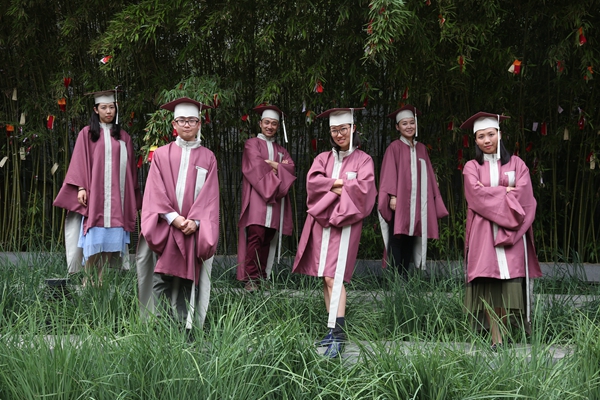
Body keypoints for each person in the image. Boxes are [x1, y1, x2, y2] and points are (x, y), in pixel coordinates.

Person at [292, 107, 376, 358]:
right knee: (325, 277)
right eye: (334, 130)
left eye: (343, 129)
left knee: (334, 277)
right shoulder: (323, 158)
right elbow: (312, 184)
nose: (339, 134)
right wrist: (342, 184)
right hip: (321, 223)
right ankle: (331, 329)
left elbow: (364, 191)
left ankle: (338, 334)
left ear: (353, 128)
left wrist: (332, 186)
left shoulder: (364, 160)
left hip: (346, 224)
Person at [460, 111, 542, 350]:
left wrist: (491, 192)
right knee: (490, 286)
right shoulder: (471, 167)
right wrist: (506, 191)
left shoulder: (517, 164)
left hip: (512, 235)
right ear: (475, 140)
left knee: (508, 285)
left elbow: (525, 197)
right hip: (483, 235)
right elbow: (475, 197)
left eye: (491, 134)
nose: (487, 140)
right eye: (481, 136)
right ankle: (496, 338)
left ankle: (504, 334)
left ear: (500, 134)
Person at [141, 97, 219, 329]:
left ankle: (185, 326)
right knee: (161, 276)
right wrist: (173, 218)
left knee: (188, 278)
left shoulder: (208, 157)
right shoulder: (161, 155)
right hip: (166, 225)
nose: (187, 124)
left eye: (192, 120)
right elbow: (154, 191)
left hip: (193, 229)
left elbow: (210, 196)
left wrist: (196, 221)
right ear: (174, 124)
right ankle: (159, 325)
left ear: (199, 124)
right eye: (182, 120)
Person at [54, 89, 141, 285]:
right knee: (94, 238)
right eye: (103, 108)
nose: (108, 111)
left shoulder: (124, 137)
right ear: (96, 110)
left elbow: (130, 171)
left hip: (117, 198)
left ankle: (100, 281)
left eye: (111, 107)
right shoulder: (87, 134)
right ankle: (87, 280)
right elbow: (79, 161)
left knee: (112, 240)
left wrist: (131, 196)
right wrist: (81, 188)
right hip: (96, 196)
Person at [377, 105, 448, 277]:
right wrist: (392, 196)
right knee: (397, 236)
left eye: (412, 123)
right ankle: (395, 277)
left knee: (411, 237)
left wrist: (431, 198)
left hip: (417, 202)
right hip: (400, 201)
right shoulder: (394, 147)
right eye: (404, 123)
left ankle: (404, 275)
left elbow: (428, 174)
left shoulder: (421, 148)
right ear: (397, 127)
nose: (409, 126)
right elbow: (389, 173)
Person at [237, 104, 296, 291]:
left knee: (267, 238)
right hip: (257, 198)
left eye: (274, 124)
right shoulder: (251, 144)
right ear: (260, 123)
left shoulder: (281, 149)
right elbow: (255, 166)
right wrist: (279, 167)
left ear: (278, 126)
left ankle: (262, 277)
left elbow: (291, 168)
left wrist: (272, 165)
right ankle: (250, 278)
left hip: (275, 202)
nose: (270, 126)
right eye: (267, 122)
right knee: (255, 236)